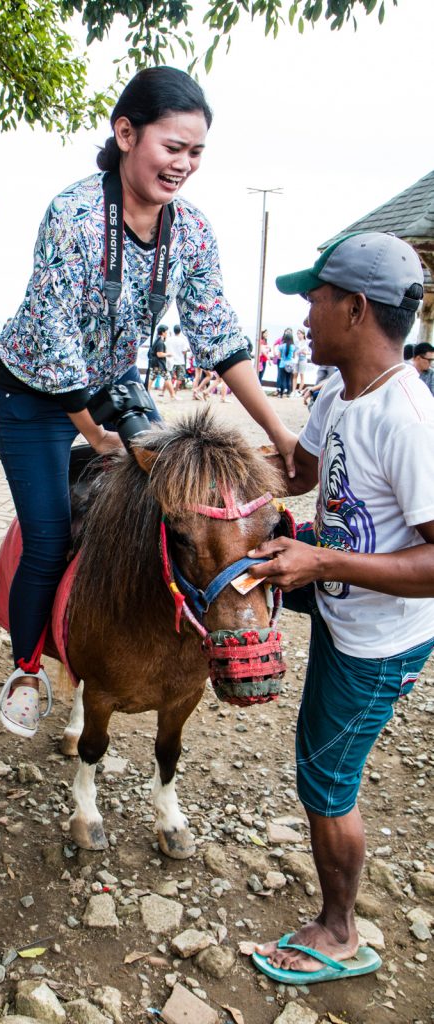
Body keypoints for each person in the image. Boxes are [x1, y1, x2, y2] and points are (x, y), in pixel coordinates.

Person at [0, 65, 297, 738]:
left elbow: (217, 333)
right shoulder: (71, 214)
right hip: (35, 389)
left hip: (114, 381)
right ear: (125, 133)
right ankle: (25, 667)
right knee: (46, 536)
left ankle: (159, 627)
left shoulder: (189, 231)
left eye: (195, 152)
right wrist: (95, 437)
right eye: (172, 146)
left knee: (177, 496)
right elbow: (58, 342)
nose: (183, 164)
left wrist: (279, 431)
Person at [245, 232, 433, 985]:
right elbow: (301, 473)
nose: (303, 316)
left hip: (381, 636)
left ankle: (339, 930)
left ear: (354, 309)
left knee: (326, 778)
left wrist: (317, 560)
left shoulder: (408, 422)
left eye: (314, 300)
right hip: (339, 600)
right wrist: (207, 470)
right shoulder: (337, 390)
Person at [275, 328, 295, 397]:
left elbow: (279, 356)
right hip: (290, 364)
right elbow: (294, 356)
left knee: (282, 379)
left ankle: (281, 393)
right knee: (288, 379)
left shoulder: (281, 346)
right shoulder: (293, 347)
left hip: (282, 364)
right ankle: (288, 393)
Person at [293, 328, 310, 394]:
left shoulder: (306, 342)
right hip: (296, 360)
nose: (298, 335)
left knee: (302, 375)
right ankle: (293, 391)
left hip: (303, 359)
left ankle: (299, 391)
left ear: (303, 334)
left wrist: (305, 352)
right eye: (297, 334)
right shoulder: (296, 342)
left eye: (299, 333)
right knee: (295, 375)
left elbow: (310, 352)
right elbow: (294, 351)